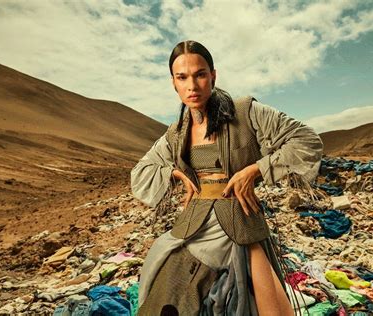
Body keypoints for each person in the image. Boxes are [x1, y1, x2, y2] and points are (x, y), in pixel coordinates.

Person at [130, 40, 323, 315]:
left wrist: (254, 170)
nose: (192, 86)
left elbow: (307, 141)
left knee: (267, 308)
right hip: (193, 226)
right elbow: (140, 172)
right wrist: (173, 173)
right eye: (182, 77)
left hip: (241, 222)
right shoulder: (175, 133)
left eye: (200, 74)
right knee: (162, 291)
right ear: (173, 83)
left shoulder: (246, 112)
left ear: (213, 75)